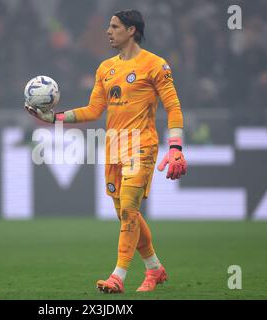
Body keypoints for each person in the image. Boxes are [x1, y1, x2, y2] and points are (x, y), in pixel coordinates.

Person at [25, 9, 187, 293]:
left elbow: (173, 107)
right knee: (127, 215)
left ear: (131, 30)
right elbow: (93, 110)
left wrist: (175, 148)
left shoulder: (155, 65)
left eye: (114, 26)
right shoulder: (105, 68)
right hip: (113, 149)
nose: (108, 31)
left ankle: (118, 277)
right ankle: (154, 269)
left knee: (128, 210)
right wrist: (54, 119)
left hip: (142, 146)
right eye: (109, 26)